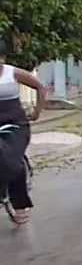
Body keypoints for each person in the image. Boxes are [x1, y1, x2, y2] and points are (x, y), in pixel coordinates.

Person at [0, 41, 46, 225]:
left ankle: (19, 204)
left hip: (15, 125)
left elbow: (40, 87)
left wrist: (36, 112)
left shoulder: (12, 73)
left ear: (3, 57)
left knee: (12, 160)